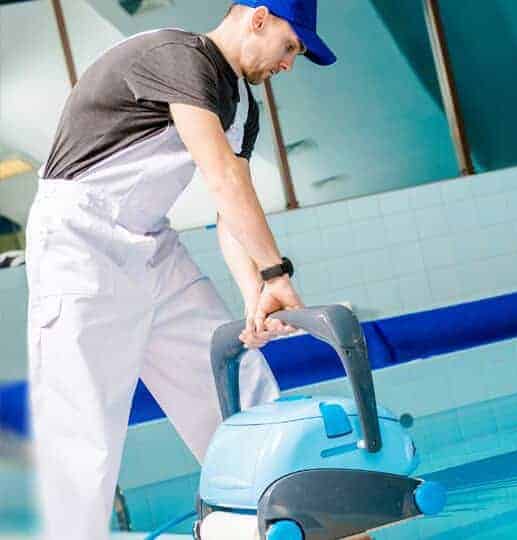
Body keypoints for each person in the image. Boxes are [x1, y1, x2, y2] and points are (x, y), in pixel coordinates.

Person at [24, 1, 336, 538]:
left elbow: (226, 216)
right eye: (291, 46)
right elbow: (221, 178)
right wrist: (274, 273)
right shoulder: (178, 55)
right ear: (257, 18)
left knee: (237, 381)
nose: (289, 64)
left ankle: (297, 519)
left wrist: (253, 296)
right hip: (81, 240)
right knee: (82, 435)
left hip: (152, 244)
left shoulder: (243, 107)